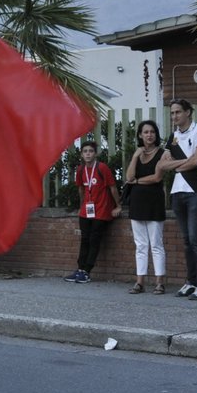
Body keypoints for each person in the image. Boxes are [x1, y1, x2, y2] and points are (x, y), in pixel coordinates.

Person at [159, 98, 197, 299]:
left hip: (195, 190)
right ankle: (191, 281)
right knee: (186, 240)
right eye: (172, 113)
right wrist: (185, 163)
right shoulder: (172, 137)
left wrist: (177, 164)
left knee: (195, 238)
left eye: (178, 112)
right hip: (177, 191)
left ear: (188, 112)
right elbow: (162, 165)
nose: (174, 116)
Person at [64, 140, 120, 283]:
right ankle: (80, 269)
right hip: (86, 211)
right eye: (85, 151)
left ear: (95, 154)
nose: (88, 154)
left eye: (90, 151)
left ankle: (87, 271)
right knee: (85, 239)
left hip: (101, 210)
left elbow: (113, 187)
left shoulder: (102, 168)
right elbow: (81, 188)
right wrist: (82, 205)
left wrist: (118, 206)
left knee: (94, 240)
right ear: (81, 154)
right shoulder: (81, 170)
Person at [124, 120, 169, 294]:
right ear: (140, 135)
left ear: (156, 134)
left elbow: (157, 178)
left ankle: (160, 282)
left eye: (152, 132)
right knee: (140, 245)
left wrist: (136, 182)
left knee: (156, 244)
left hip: (154, 202)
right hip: (137, 202)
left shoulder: (163, 153)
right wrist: (135, 156)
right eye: (145, 132)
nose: (149, 135)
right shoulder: (137, 154)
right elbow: (129, 176)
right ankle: (140, 281)